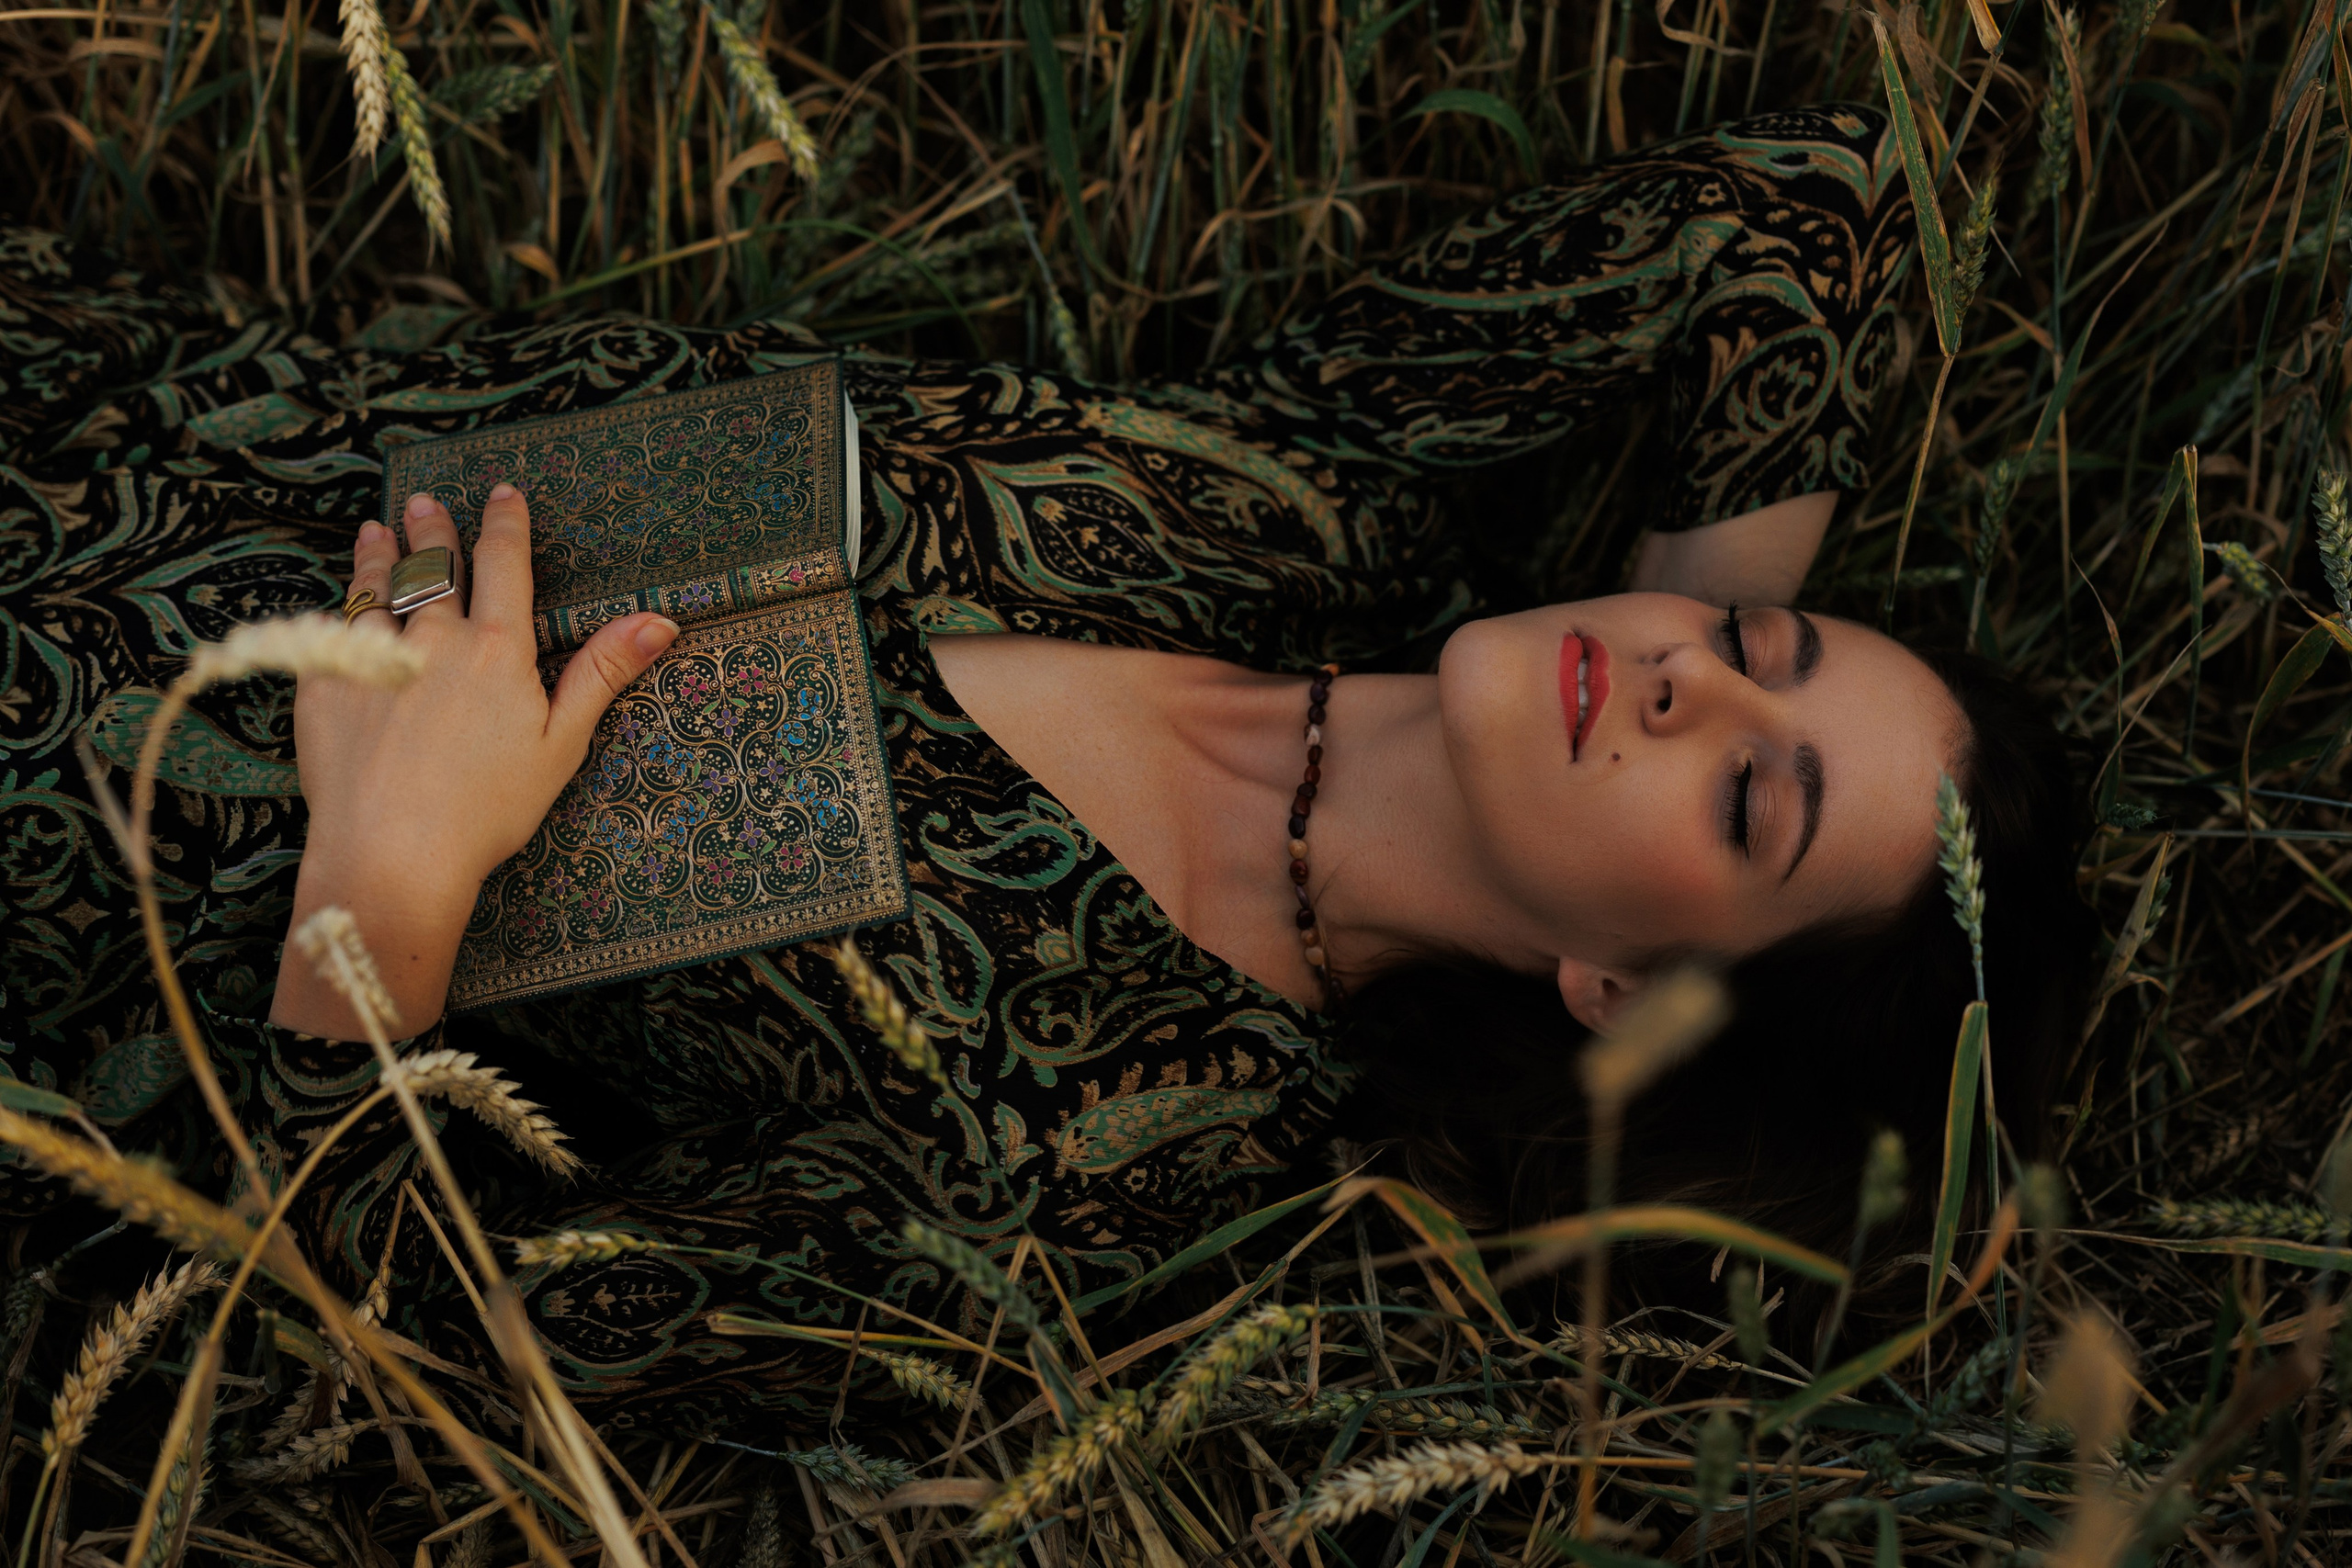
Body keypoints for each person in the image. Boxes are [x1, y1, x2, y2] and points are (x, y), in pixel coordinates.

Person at [0, 105, 2087, 1432]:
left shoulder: (1106, 1139)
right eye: (1740, 647)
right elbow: (1803, 214)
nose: (1673, 685)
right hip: (75, 379)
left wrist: (389, 884)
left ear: (1637, 1001)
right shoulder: (1297, 505)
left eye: (1746, 800)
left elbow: (368, 1373)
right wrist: (1627, 733)